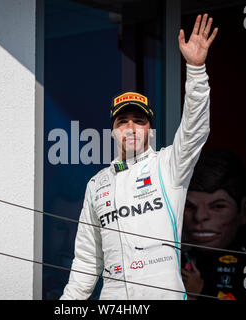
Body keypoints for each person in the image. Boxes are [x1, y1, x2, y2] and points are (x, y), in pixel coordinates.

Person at [60, 14, 218, 300]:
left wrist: (196, 69)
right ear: (112, 132)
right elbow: (86, 260)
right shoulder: (97, 184)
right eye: (123, 122)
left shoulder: (168, 165)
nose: (131, 128)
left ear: (150, 130)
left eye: (139, 121)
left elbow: (195, 128)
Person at [181, 149, 246, 300]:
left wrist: (199, 293)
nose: (199, 216)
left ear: (245, 210)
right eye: (189, 206)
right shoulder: (175, 259)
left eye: (218, 206)